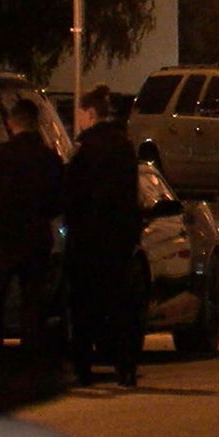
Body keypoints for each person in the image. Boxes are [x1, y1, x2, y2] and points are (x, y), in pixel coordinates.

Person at [0, 99, 63, 363]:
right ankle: (32, 354)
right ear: (36, 123)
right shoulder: (49, 159)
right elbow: (58, 201)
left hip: (2, 236)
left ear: (11, 123)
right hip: (36, 236)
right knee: (33, 299)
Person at [64, 84, 144, 387]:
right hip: (119, 239)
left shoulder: (84, 149)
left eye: (80, 114)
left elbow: (72, 192)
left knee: (84, 306)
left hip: (87, 239)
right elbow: (131, 194)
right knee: (121, 306)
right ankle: (126, 367)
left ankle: (83, 368)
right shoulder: (124, 146)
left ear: (89, 113)